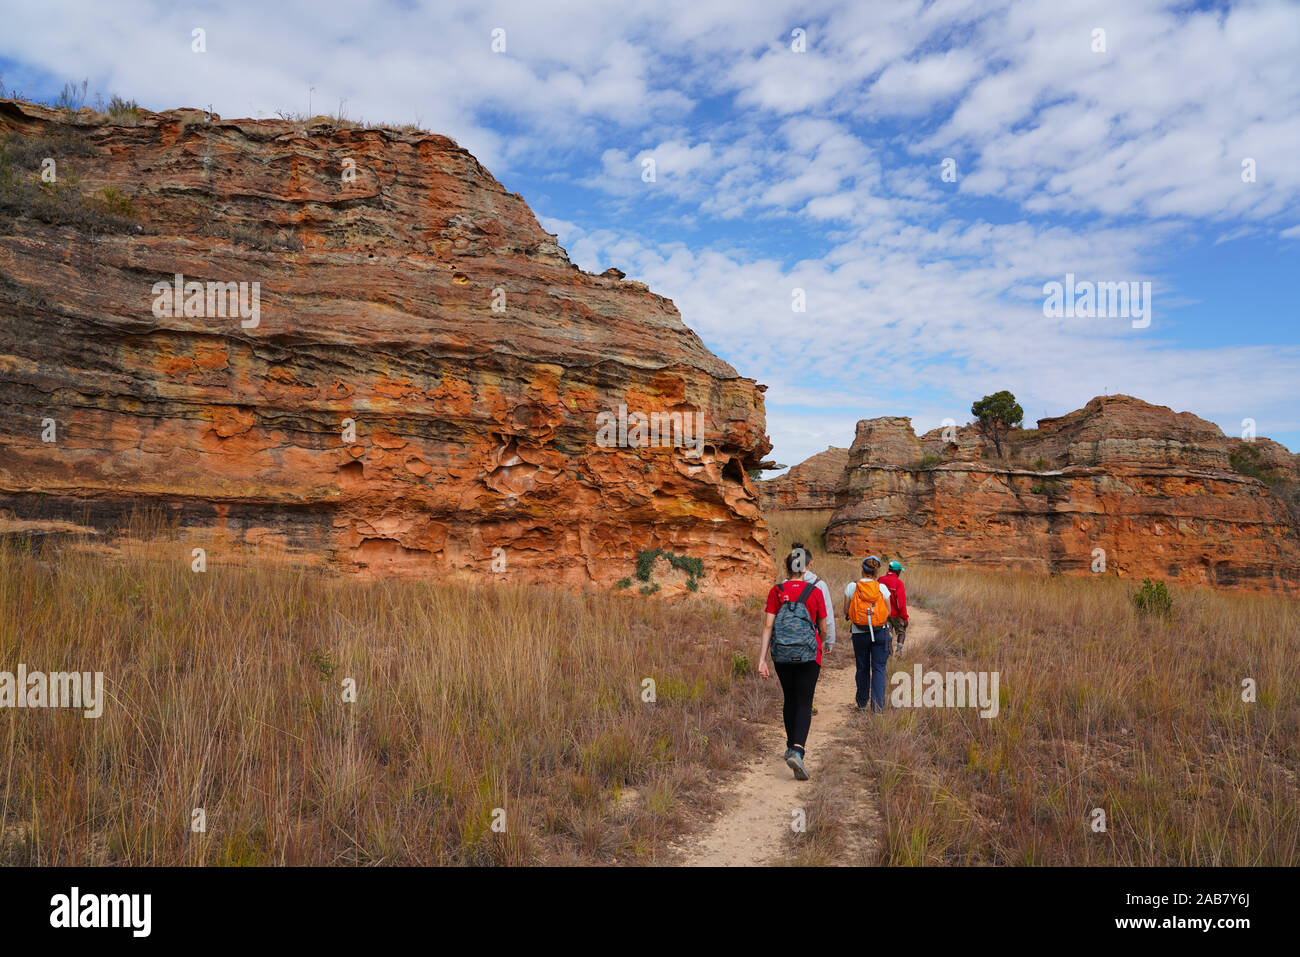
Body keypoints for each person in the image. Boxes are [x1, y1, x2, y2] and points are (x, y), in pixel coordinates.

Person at [758, 549, 830, 780]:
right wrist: (824, 640)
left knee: (790, 698)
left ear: (787, 568)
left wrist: (762, 659)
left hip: (782, 655)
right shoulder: (815, 591)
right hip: (809, 654)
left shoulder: (776, 591)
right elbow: (823, 625)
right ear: (806, 567)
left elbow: (768, 626)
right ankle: (798, 750)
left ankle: (790, 746)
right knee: (805, 701)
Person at [787, 542, 835, 714]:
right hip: (811, 636)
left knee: (791, 670)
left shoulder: (784, 584)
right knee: (809, 672)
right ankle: (807, 702)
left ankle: (793, 702)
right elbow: (827, 617)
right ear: (809, 563)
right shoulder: (819, 585)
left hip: (788, 637)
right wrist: (828, 641)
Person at [843, 556, 892, 713]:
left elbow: (846, 611)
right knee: (879, 668)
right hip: (880, 632)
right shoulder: (881, 588)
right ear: (877, 571)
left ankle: (862, 703)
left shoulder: (852, 587)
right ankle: (877, 708)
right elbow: (888, 612)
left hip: (859, 633)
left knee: (862, 667)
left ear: (862, 569)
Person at [879, 560, 909, 655]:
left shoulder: (880, 580)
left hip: (883, 613)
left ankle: (890, 653)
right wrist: (905, 617)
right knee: (901, 631)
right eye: (900, 571)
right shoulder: (898, 583)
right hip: (896, 614)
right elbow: (901, 603)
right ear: (897, 571)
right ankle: (899, 651)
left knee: (887, 633)